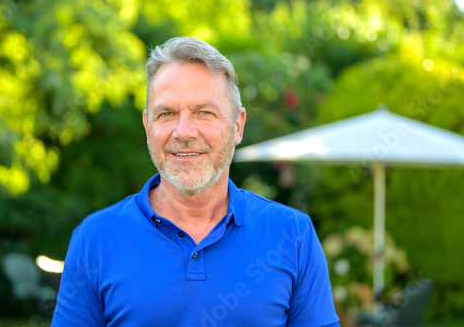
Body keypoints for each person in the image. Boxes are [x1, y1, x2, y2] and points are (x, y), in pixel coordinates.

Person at [52, 37, 340, 327]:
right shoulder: (96, 239)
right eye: (167, 114)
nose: (184, 132)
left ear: (237, 126)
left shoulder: (293, 235)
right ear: (147, 126)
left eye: (204, 113)